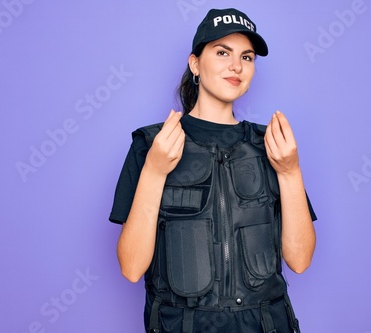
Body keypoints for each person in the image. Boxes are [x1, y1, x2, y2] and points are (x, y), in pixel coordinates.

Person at [109, 8, 317, 332]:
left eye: (247, 58)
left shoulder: (271, 145)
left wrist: (290, 172)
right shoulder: (152, 145)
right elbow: (132, 268)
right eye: (223, 52)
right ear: (195, 64)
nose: (237, 66)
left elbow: (300, 260)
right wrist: (154, 170)